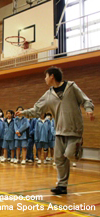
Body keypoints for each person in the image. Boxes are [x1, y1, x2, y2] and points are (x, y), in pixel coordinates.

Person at [16, 66, 95, 195]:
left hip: (74, 129)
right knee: (58, 159)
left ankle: (77, 148)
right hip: (59, 130)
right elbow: (37, 110)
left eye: (46, 76)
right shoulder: (48, 95)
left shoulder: (71, 87)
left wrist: (89, 109)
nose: (45, 79)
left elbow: (85, 100)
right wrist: (24, 113)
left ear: (52, 76)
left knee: (70, 155)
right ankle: (62, 186)